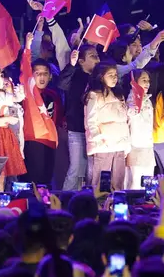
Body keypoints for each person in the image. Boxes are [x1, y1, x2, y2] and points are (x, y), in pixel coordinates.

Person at [58, 45, 100, 191]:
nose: (97, 59)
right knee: (75, 168)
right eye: (92, 56)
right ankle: (66, 199)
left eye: (97, 55)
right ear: (81, 61)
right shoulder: (75, 75)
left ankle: (88, 200)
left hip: (95, 131)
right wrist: (72, 64)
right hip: (76, 129)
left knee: (91, 170)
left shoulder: (99, 78)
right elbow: (62, 83)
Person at [84, 61, 131, 191]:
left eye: (115, 74)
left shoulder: (119, 95)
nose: (114, 77)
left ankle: (116, 208)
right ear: (101, 77)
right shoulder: (94, 95)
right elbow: (90, 121)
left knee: (118, 184)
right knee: (100, 184)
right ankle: (97, 208)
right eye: (110, 75)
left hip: (120, 145)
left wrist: (127, 144)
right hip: (104, 146)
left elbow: (124, 121)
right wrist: (99, 139)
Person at [22, 58, 63, 186]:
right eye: (37, 73)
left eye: (45, 73)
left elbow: (59, 117)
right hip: (33, 139)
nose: (42, 77)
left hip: (50, 140)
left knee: (47, 178)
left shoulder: (53, 95)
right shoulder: (27, 94)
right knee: (34, 178)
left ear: (50, 76)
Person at [125, 69, 155, 189]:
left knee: (148, 182)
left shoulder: (147, 99)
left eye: (148, 80)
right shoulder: (131, 99)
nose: (147, 83)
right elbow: (131, 112)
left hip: (148, 145)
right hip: (136, 146)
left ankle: (146, 206)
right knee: (135, 182)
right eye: (144, 80)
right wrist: (136, 106)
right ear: (135, 82)